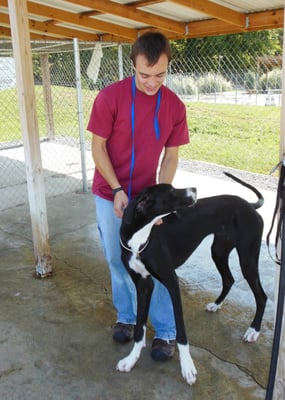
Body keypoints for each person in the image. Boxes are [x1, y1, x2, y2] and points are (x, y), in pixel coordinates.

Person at [87, 31, 189, 361]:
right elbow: (97, 147)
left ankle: (165, 331)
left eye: (160, 74)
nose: (152, 82)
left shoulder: (174, 105)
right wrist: (117, 189)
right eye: (145, 75)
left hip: (147, 200)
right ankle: (128, 317)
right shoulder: (110, 97)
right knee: (117, 258)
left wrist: (161, 201)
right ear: (133, 65)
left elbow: (171, 155)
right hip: (109, 192)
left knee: (157, 263)